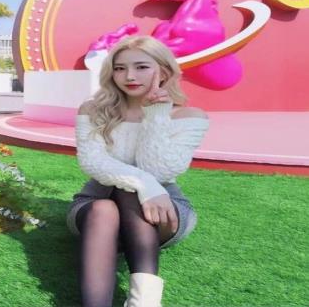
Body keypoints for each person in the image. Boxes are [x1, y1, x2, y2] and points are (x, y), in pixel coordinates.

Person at [66, 35, 210, 307]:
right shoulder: (93, 110)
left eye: (141, 67)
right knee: (105, 207)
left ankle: (143, 302)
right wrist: (144, 183)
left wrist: (156, 113)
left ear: (163, 72)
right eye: (120, 68)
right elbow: (92, 162)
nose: (129, 76)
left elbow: (158, 170)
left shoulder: (190, 117)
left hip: (163, 209)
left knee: (130, 192)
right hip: (96, 205)